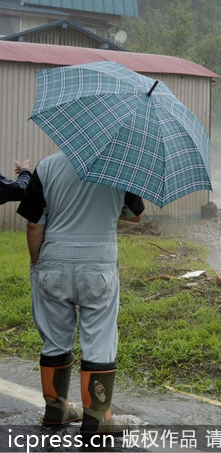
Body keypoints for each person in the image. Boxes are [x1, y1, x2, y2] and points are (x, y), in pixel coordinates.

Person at [17, 150, 145, 433]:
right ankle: (97, 419)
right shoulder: (120, 166)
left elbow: (33, 222)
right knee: (100, 340)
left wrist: (38, 263)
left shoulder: (47, 166)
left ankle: (56, 410)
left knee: (54, 339)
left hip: (53, 263)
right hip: (98, 267)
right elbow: (136, 216)